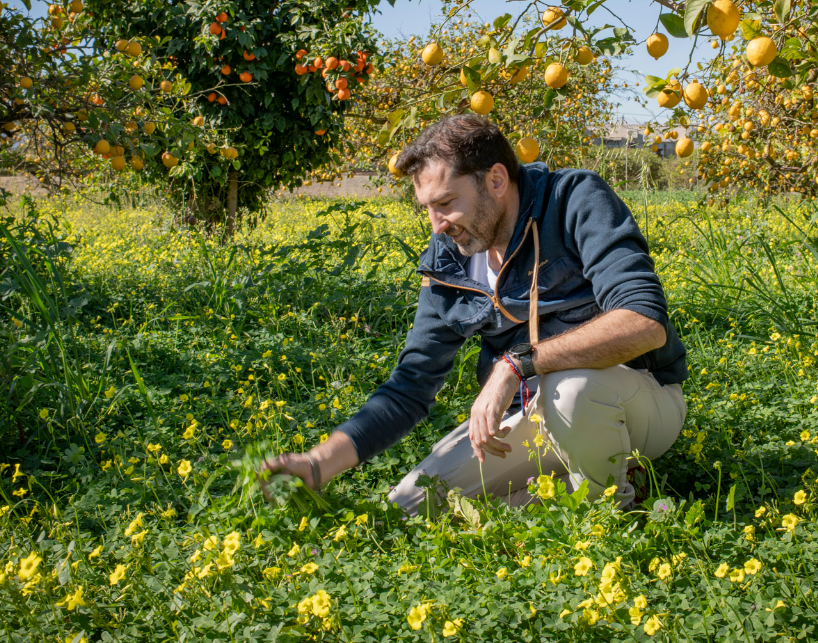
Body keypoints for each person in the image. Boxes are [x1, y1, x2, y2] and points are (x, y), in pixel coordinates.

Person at [260, 115, 687, 513]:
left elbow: (643, 322)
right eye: (426, 207)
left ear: (496, 180)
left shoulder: (573, 199)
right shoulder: (448, 258)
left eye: (445, 202)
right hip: (529, 415)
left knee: (570, 388)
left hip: (631, 400)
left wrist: (516, 365)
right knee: (411, 506)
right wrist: (317, 465)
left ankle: (611, 510)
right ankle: (569, 494)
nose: (436, 224)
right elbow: (411, 384)